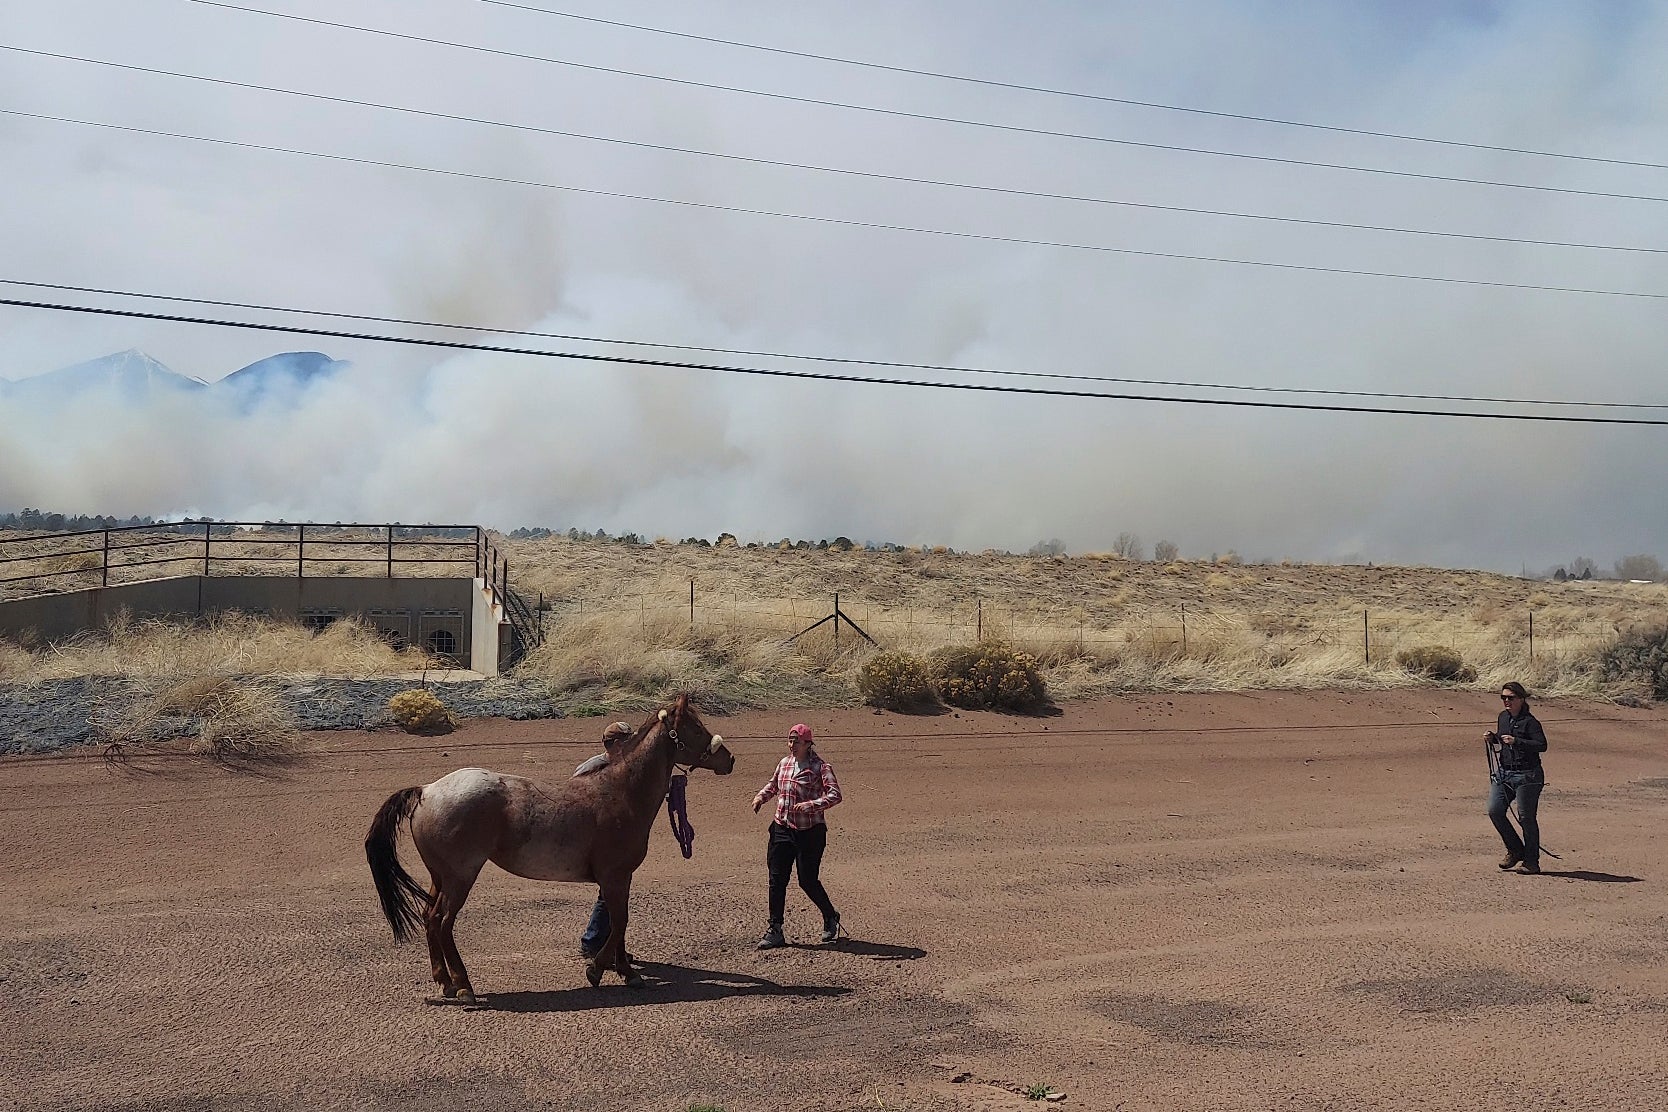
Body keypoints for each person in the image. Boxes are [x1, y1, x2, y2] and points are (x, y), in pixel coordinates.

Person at [752, 722, 845, 949]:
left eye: (797, 741)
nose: (792, 745)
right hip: (782, 829)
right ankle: (775, 929)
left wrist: (812, 805)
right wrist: (760, 798)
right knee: (777, 879)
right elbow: (774, 786)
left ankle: (830, 915)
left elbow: (835, 795)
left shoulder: (820, 767)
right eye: (790, 740)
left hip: (810, 833)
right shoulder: (784, 763)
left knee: (807, 881)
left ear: (808, 744)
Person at [574, 721, 634, 958]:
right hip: (593, 839)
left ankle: (601, 943)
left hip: (610, 839)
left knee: (611, 891)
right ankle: (595, 943)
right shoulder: (598, 767)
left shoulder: (621, 766)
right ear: (618, 745)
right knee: (610, 891)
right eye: (630, 742)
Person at [1485, 681, 1549, 875]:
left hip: (1528, 775)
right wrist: (1493, 738)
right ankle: (1515, 850)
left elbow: (1541, 745)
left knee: (1526, 818)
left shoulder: (1531, 722)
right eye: (1503, 697)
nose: (1506, 701)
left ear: (1521, 699)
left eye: (1510, 698)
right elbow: (1503, 740)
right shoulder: (1503, 717)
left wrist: (1517, 741)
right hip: (1504, 773)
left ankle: (1531, 862)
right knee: (1494, 810)